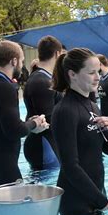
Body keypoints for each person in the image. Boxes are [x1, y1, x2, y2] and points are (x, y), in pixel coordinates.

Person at [51, 48, 108, 215]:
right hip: (75, 202)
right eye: (91, 72)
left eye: (98, 71)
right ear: (72, 74)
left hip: (94, 193)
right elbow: (70, 166)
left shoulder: (91, 105)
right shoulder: (65, 111)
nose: (97, 77)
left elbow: (107, 150)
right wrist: (102, 201)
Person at [0, 40, 49, 187]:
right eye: (22, 61)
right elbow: (14, 130)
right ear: (14, 60)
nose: (22, 65)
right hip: (2, 168)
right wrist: (35, 123)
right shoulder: (4, 86)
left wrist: (28, 124)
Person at [23, 35, 64, 170]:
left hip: (45, 144)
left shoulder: (42, 78)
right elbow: (47, 119)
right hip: (44, 147)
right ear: (57, 53)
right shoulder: (42, 81)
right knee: (44, 188)